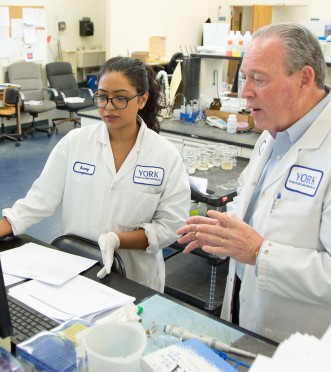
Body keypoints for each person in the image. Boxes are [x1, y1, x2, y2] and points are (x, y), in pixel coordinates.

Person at [177, 23, 331, 342]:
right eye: (244, 78)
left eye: (259, 79)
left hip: (317, 351)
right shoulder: (276, 133)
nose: (245, 92)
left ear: (304, 79)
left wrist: (259, 253)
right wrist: (226, 231)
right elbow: (256, 205)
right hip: (249, 320)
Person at [0, 56, 190, 292]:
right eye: (101, 97)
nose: (108, 107)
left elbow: (171, 225)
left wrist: (118, 239)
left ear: (142, 99)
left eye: (120, 98)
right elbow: (40, 200)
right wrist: (5, 224)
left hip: (136, 279)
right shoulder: (75, 143)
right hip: (77, 269)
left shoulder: (165, 155)